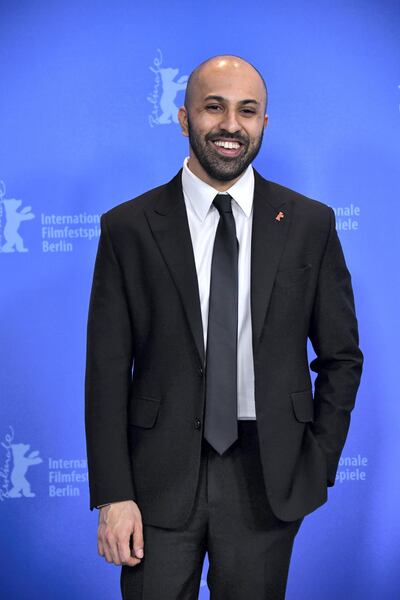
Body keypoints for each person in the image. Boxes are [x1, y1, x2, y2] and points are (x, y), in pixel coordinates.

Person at [85, 55, 363, 599]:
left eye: (247, 111)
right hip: (155, 482)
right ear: (185, 117)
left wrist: (315, 463)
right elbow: (107, 370)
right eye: (214, 107)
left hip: (268, 478)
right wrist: (113, 494)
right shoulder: (128, 227)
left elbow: (342, 358)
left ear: (264, 123)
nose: (231, 125)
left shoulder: (310, 223)